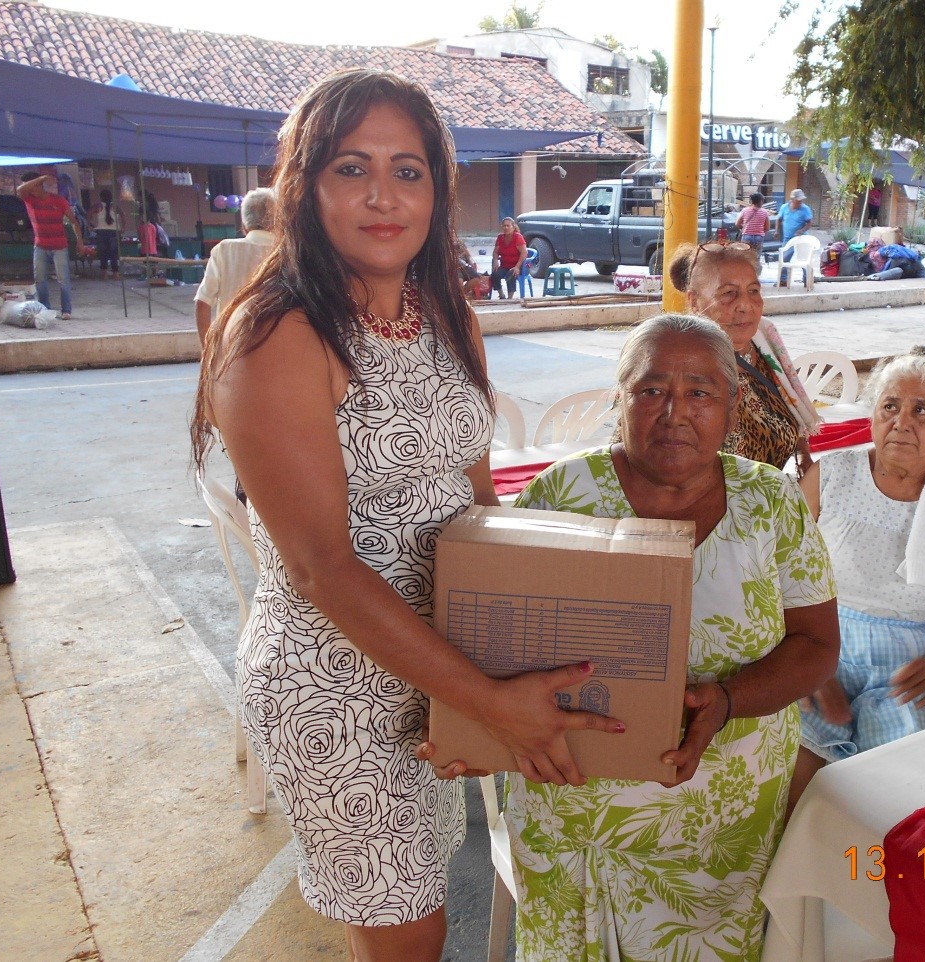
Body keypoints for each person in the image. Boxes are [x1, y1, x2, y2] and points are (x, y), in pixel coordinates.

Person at [189, 68, 621, 962]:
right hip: (334, 686)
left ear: (437, 190)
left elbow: (477, 498)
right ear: (305, 186)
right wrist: (486, 701)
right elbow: (321, 567)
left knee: (425, 899)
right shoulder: (277, 335)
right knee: (409, 933)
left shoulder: (442, 311)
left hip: (439, 667)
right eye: (352, 168)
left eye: (408, 170)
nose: (383, 196)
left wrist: (480, 677)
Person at [426, 312, 839, 962]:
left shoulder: (773, 505)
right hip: (576, 819)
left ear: (733, 406)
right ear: (618, 399)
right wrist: (479, 734)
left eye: (700, 391)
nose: (675, 413)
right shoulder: (561, 494)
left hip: (722, 831)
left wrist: (728, 700)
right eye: (651, 390)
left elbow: (817, 645)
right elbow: (493, 641)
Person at [792, 347, 925, 810]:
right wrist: (807, 669)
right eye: (890, 406)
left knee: (901, 788)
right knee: (799, 773)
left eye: (921, 410)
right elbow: (775, 579)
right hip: (817, 639)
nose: (902, 422)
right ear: (872, 416)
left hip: (910, 665)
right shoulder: (831, 476)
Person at [658, 240, 820, 473]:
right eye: (728, 293)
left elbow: (790, 411)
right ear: (694, 302)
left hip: (769, 491)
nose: (746, 305)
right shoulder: (678, 367)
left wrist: (803, 456)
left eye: (753, 291)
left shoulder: (765, 349)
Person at [193, 187, 277, 344]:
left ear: (244, 226)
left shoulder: (224, 250)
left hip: (230, 345)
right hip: (275, 347)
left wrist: (207, 350)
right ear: (278, 222)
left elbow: (202, 303)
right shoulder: (288, 253)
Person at [17, 170, 83, 319]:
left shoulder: (58, 200)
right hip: (40, 245)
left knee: (63, 279)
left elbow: (74, 222)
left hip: (59, 246)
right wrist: (42, 178)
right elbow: (20, 190)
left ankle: (66, 310)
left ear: (39, 185)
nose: (28, 189)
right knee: (40, 279)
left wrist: (80, 242)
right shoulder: (29, 199)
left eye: (31, 185)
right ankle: (44, 308)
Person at [774, 188, 814, 287]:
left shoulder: (805, 209)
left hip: (801, 238)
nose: (800, 202)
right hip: (788, 239)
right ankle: (783, 280)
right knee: (784, 258)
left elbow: (809, 223)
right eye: (798, 200)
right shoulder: (784, 207)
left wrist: (802, 230)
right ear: (792, 199)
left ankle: (807, 280)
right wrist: (776, 231)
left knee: (803, 260)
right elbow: (779, 219)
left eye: (801, 200)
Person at [88, 188, 125, 280]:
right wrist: (123, 227)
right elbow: (123, 215)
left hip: (101, 231)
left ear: (101, 197)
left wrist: (89, 225)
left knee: (103, 253)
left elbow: (88, 214)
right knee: (114, 253)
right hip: (114, 231)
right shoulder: (115, 206)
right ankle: (115, 274)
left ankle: (104, 274)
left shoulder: (98, 206)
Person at [489, 215, 527, 298]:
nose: (506, 228)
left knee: (511, 274)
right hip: (504, 266)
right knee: (495, 274)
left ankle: (510, 298)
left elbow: (524, 253)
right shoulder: (500, 237)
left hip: (518, 266)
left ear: (513, 227)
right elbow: (495, 252)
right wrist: (495, 261)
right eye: (504, 226)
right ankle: (501, 295)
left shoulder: (518, 237)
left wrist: (517, 267)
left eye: (508, 226)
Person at [736, 191, 771, 262]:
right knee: (756, 258)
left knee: (745, 258)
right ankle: (755, 269)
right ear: (760, 201)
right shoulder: (764, 212)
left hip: (747, 236)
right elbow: (767, 228)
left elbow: (737, 223)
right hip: (759, 237)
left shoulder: (745, 210)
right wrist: (760, 231)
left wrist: (743, 228)